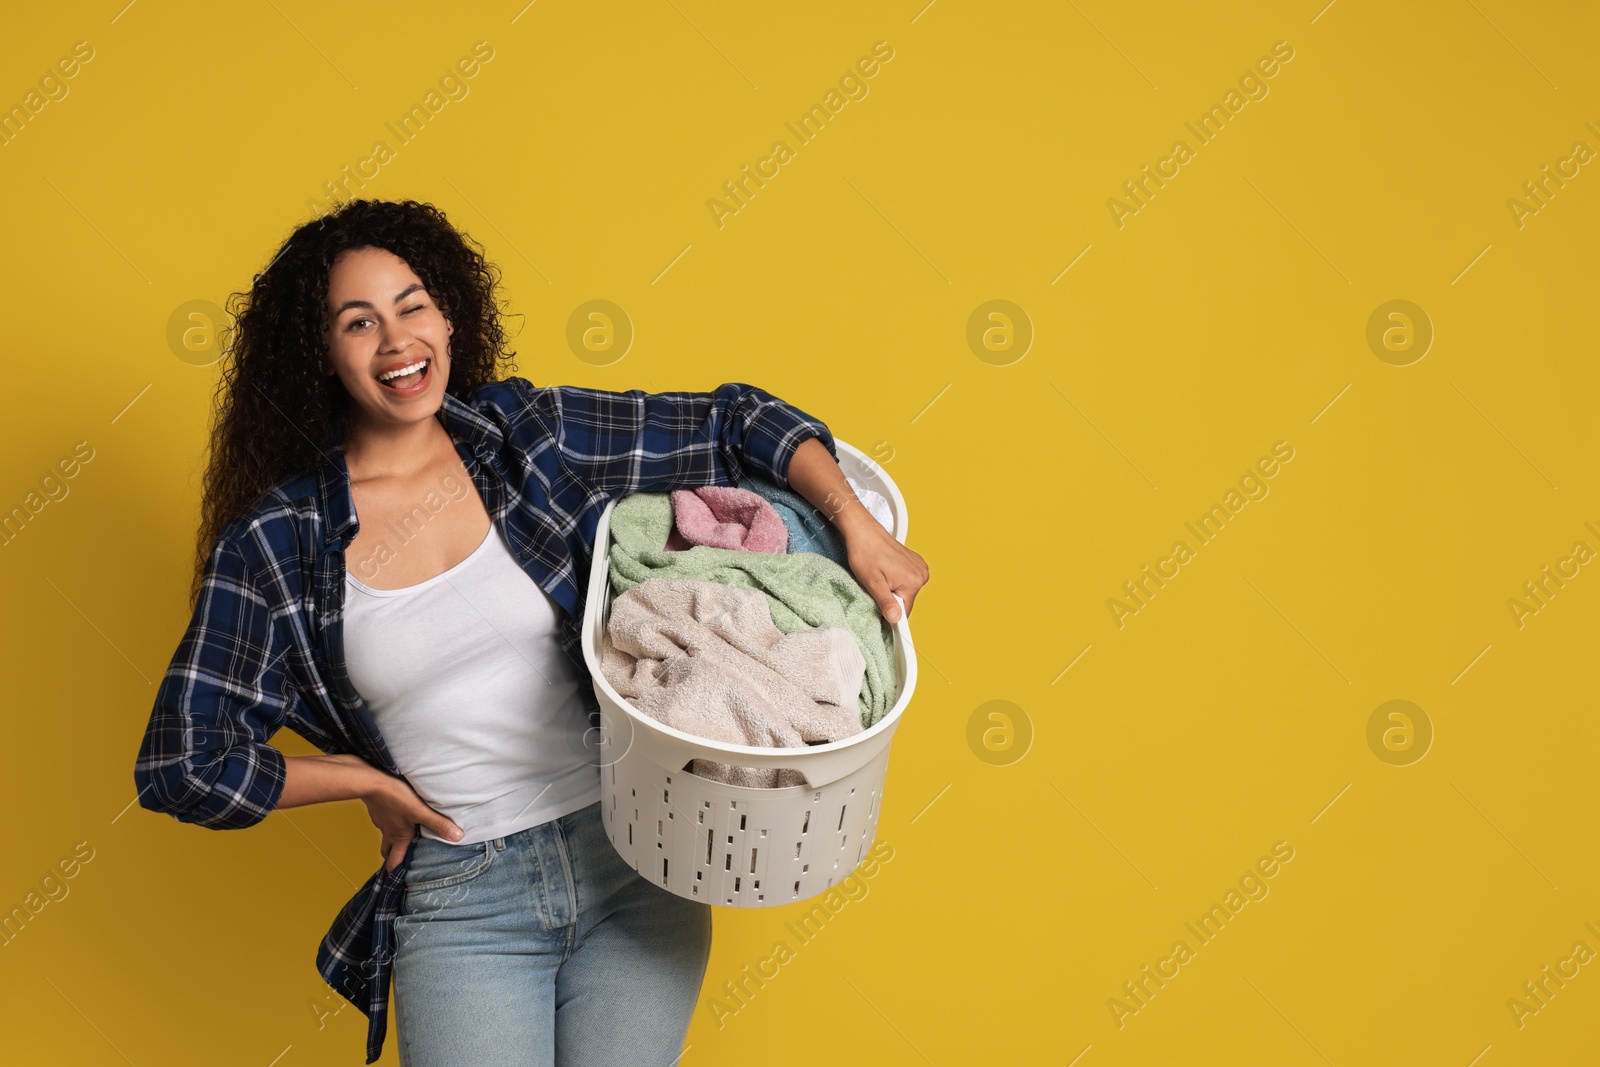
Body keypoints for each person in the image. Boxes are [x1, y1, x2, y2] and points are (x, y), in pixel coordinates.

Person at [132, 198, 929, 1066]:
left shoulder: (527, 438)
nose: (397, 340)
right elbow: (183, 765)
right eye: (359, 322)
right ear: (320, 353)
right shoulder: (278, 541)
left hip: (636, 856)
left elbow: (737, 420)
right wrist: (358, 777)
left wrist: (858, 523)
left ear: (448, 314)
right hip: (465, 895)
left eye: (412, 305)